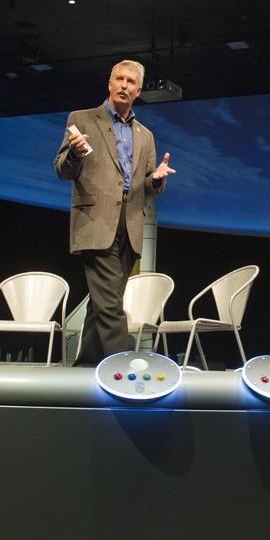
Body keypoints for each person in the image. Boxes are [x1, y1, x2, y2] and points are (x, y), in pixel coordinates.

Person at [55, 60, 176, 365]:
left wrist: (157, 180)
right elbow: (62, 170)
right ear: (109, 84)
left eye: (131, 82)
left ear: (138, 91)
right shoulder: (82, 119)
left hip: (131, 225)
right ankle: (123, 368)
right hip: (95, 223)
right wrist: (73, 153)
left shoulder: (145, 135)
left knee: (102, 304)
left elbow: (146, 186)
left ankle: (85, 366)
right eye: (119, 79)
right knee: (110, 305)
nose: (124, 85)